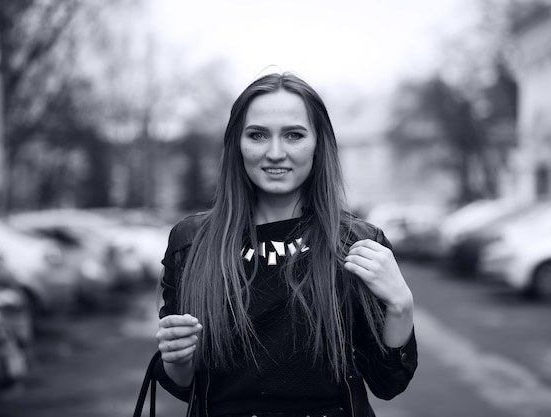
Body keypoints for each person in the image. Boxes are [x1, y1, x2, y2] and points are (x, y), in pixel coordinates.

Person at [154, 71, 417, 417]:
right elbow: (181, 384)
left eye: (294, 135)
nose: (275, 153)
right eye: (258, 135)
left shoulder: (357, 244)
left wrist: (401, 306)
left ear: (318, 143)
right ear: (237, 144)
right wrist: (178, 357)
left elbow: (388, 383)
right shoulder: (191, 243)